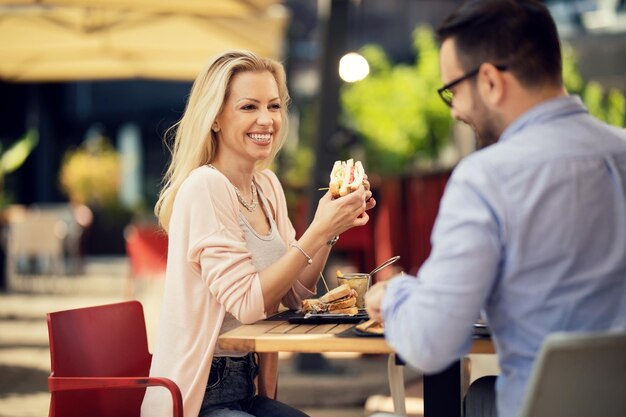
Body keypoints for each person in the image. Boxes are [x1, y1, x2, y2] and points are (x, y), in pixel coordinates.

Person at [365, 1, 626, 417]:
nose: (454, 110)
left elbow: (431, 345)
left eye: (452, 90)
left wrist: (394, 293)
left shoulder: (485, 179)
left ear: (488, 80)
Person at [141, 50, 375, 417]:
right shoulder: (205, 186)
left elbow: (296, 293)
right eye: (249, 107)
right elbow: (248, 304)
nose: (266, 120)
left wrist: (333, 228)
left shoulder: (266, 186)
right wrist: (318, 229)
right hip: (197, 394)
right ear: (215, 118)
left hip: (247, 384)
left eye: (274, 106)